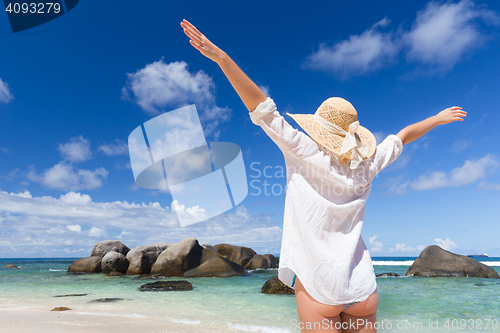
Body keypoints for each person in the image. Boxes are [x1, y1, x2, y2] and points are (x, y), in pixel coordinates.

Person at [180, 19, 466, 333]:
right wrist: (437, 119)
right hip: (362, 287)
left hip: (320, 285)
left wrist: (222, 58)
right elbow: (402, 136)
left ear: (318, 130)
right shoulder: (367, 164)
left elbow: (261, 106)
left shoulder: (303, 150)